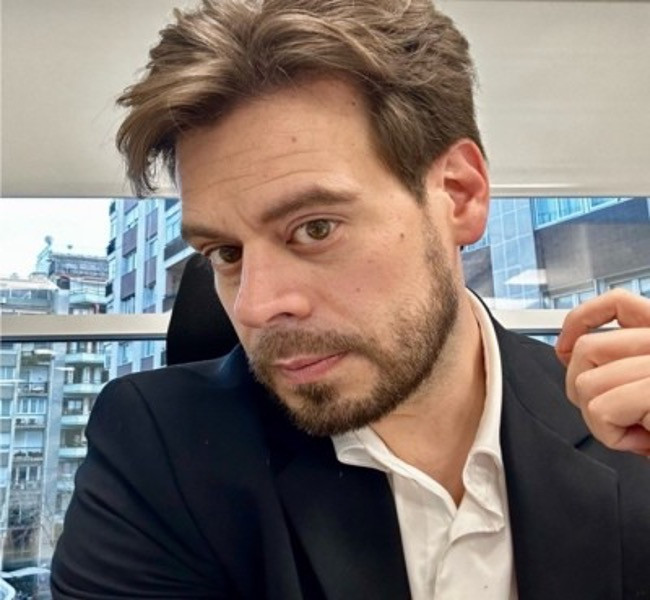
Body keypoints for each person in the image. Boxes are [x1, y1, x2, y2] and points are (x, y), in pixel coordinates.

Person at [51, 1, 650, 598]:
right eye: (226, 253)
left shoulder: (625, 429)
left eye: (315, 228)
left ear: (459, 194)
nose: (256, 307)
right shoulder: (160, 454)